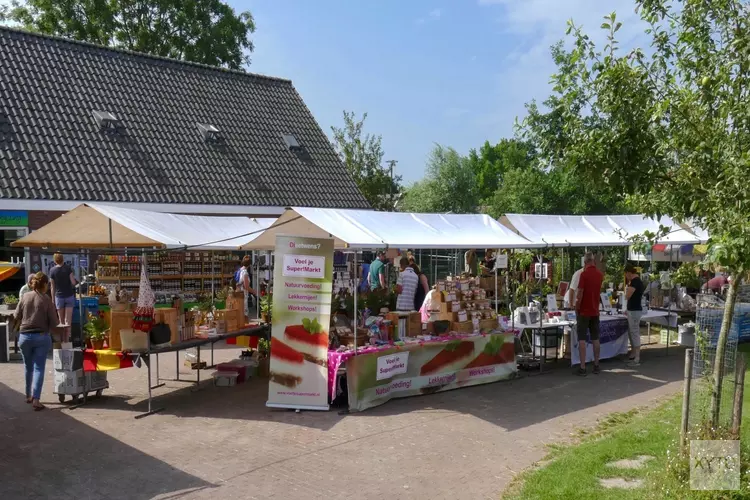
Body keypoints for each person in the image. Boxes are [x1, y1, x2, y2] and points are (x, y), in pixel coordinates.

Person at [13, 272, 57, 411]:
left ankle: (27, 395)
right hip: (41, 337)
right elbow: (54, 322)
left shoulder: (25, 296)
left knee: (28, 366)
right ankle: (36, 399)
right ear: (44, 284)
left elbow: (16, 315)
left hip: (24, 337)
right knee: (39, 368)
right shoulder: (46, 299)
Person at [575, 252, 604, 376]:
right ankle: (596, 364)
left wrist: (576, 306)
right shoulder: (600, 275)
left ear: (585, 262)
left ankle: (582, 367)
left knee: (582, 338)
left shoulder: (584, 274)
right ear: (594, 261)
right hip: (595, 310)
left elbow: (580, 293)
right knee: (595, 338)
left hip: (584, 310)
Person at [49, 253, 76, 342]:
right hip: (69, 295)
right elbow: (73, 282)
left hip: (59, 297)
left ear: (54, 260)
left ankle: (61, 342)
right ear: (63, 259)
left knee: (61, 322)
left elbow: (52, 287)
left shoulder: (52, 270)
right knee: (68, 321)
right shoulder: (68, 268)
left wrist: (53, 299)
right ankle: (67, 341)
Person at [624, 265, 645, 367]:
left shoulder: (635, 282)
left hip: (634, 311)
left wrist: (627, 288)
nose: (626, 277)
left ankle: (637, 358)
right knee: (632, 332)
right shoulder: (638, 281)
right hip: (633, 310)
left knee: (634, 333)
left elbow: (627, 296)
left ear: (629, 272)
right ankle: (633, 354)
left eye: (626, 274)